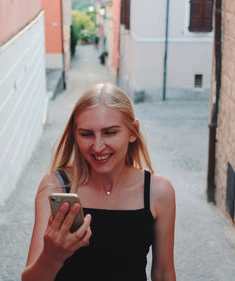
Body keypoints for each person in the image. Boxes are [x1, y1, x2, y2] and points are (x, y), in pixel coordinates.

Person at [22, 83, 176, 281]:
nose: (97, 146)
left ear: (132, 132)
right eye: (86, 134)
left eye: (110, 132)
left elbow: (164, 273)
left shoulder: (158, 191)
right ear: (74, 134)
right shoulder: (55, 186)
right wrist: (52, 257)